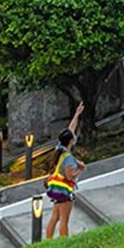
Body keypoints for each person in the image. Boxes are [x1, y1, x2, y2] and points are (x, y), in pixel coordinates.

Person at [45, 102, 86, 238]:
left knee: (54, 218)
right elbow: (70, 176)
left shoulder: (59, 149)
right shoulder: (68, 158)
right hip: (64, 192)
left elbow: (70, 130)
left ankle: (48, 241)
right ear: (71, 142)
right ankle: (64, 242)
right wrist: (81, 169)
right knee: (64, 220)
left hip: (55, 190)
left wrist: (77, 114)